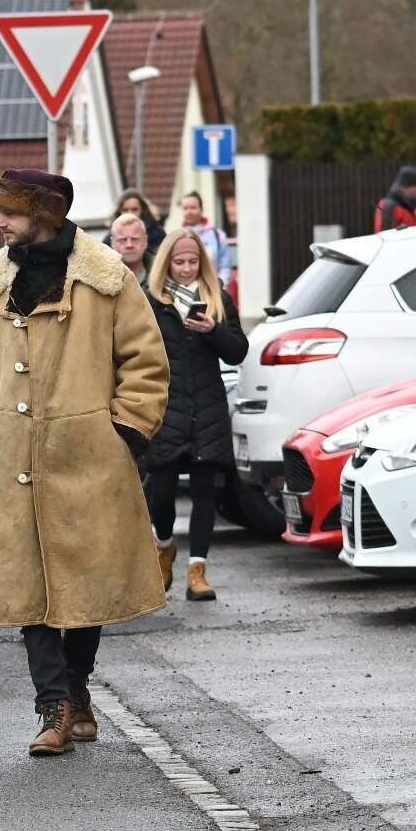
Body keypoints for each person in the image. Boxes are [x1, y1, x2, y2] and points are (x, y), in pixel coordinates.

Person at [0, 169, 168, 758]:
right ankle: (53, 705)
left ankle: (76, 683)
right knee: (28, 586)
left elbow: (145, 363)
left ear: (42, 214)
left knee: (84, 582)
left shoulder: (106, 278)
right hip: (10, 458)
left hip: (89, 457)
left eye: (8, 212)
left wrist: (123, 432)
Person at [142, 229, 247, 602]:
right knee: (161, 492)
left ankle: (197, 572)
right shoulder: (150, 300)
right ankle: (164, 545)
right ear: (166, 263)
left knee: (205, 492)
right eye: (179, 262)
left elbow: (238, 351)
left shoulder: (216, 296)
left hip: (206, 408)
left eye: (192, 261)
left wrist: (213, 331)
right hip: (166, 406)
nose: (186, 268)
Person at [178, 191, 234, 288]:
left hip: (213, 290)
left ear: (201, 209)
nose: (189, 212)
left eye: (193, 207)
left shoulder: (217, 235)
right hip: (185, 292)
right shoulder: (176, 237)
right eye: (185, 208)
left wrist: (220, 286)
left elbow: (225, 266)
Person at [375, 166, 416, 232]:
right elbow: (385, 233)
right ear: (404, 186)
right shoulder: (388, 206)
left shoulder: (413, 204)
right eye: (415, 186)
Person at [116, 191, 166, 255]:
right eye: (125, 210)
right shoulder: (112, 236)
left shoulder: (157, 234)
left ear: (143, 210)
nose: (130, 214)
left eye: (134, 209)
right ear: (119, 212)